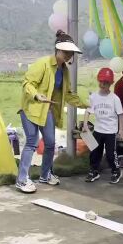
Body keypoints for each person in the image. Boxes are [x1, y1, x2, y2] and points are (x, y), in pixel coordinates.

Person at [17, 30, 87, 193]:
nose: (70, 56)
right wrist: (37, 95)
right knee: (32, 142)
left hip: (47, 111)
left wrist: (85, 104)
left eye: (71, 53)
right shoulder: (43, 64)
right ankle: (21, 180)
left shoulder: (65, 71)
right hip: (31, 109)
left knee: (50, 143)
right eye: (67, 52)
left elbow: (68, 94)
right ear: (58, 50)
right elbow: (27, 83)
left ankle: (45, 174)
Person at [83, 67, 123, 184]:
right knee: (94, 152)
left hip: (110, 131)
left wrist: (121, 130)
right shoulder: (93, 97)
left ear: (111, 83)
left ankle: (116, 171)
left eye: (106, 82)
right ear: (98, 81)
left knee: (111, 155)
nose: (103, 84)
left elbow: (120, 114)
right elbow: (87, 110)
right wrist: (85, 124)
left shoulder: (114, 98)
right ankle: (94, 171)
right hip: (98, 129)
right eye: (101, 82)